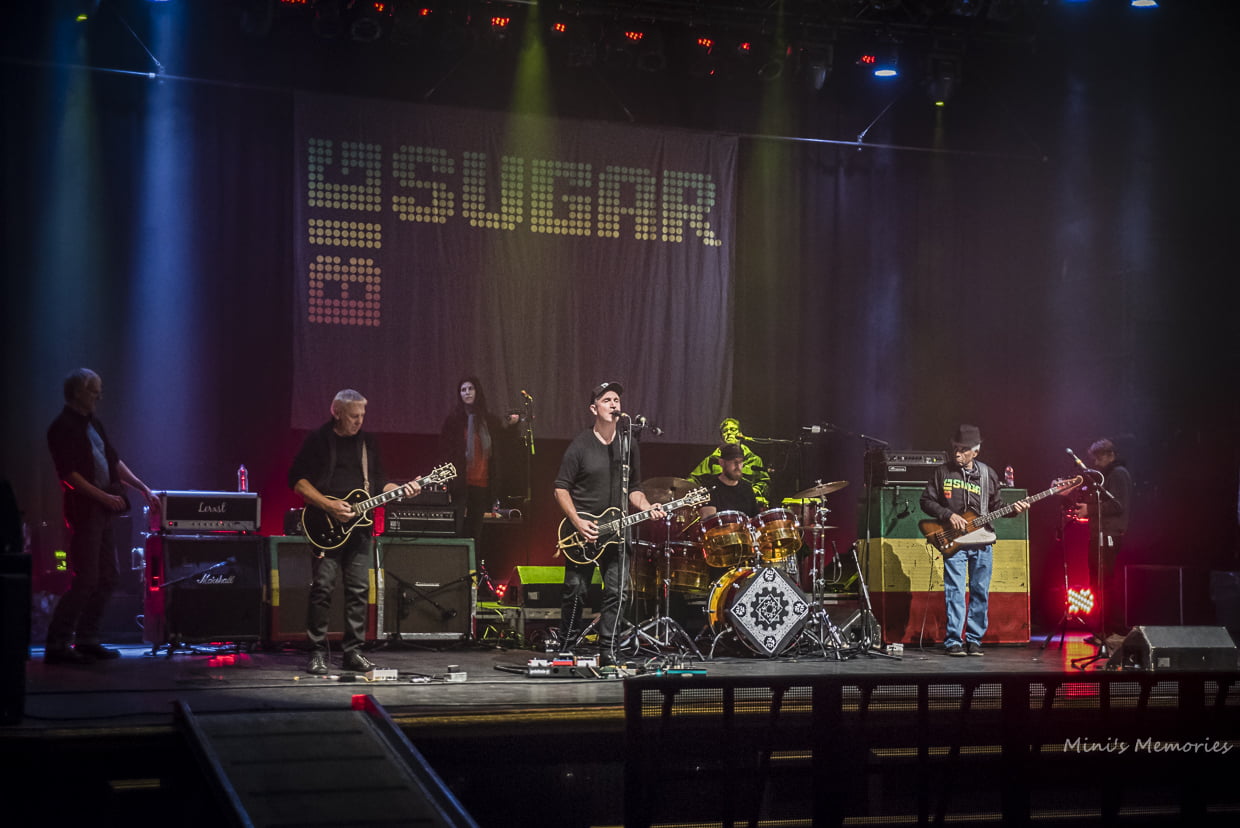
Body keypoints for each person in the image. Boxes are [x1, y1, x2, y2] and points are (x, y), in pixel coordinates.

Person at [289, 389, 420, 675]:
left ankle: (353, 652)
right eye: (353, 416)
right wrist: (329, 506)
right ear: (336, 413)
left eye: (362, 415)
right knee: (322, 588)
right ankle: (317, 652)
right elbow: (297, 481)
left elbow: (381, 483)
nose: (359, 421)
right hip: (324, 525)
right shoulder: (318, 439)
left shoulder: (367, 442)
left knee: (359, 590)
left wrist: (402, 490)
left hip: (360, 530)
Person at [45, 368, 160, 664]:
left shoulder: (94, 423)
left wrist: (142, 488)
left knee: (108, 576)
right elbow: (69, 475)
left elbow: (114, 461)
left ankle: (87, 639)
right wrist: (103, 497)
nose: (99, 396)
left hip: (103, 509)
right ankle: (57, 644)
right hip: (85, 511)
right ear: (78, 392)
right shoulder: (62, 427)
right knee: (86, 578)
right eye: (94, 390)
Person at [553, 382, 664, 664]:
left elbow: (634, 488)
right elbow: (560, 488)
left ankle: (608, 651)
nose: (614, 404)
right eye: (606, 400)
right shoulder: (580, 444)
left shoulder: (628, 445)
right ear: (594, 408)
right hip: (584, 532)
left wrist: (647, 507)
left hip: (617, 533)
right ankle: (566, 646)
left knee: (618, 592)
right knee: (575, 590)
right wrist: (577, 521)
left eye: (616, 399)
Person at [920, 424, 1028, 657]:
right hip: (955, 543)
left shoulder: (988, 474)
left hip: (983, 542)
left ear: (975, 452)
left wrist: (1014, 511)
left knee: (980, 592)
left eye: (963, 450)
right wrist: (948, 515)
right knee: (955, 592)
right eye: (955, 448)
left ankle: (974, 640)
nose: (957, 454)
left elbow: (996, 507)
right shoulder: (942, 472)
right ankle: (953, 641)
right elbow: (926, 501)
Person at [439, 376, 518, 550]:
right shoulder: (453, 421)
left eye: (470, 389)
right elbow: (445, 452)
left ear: (477, 392)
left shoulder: (490, 421)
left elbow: (503, 447)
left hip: (482, 484)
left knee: (475, 533)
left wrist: (513, 426)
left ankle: (472, 566)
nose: (467, 393)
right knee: (456, 530)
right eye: (463, 390)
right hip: (460, 484)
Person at [1073, 438, 1132, 643]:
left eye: (1099, 459)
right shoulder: (1109, 475)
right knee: (1098, 583)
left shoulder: (1118, 474)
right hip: (1100, 534)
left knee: (1105, 583)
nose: (1096, 463)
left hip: (1108, 535)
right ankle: (1104, 630)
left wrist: (1089, 509)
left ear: (1111, 455)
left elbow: (1117, 505)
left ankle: (1115, 630)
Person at [688, 417, 771, 505]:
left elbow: (764, 482)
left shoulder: (753, 459)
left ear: (740, 434)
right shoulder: (711, 460)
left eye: (733, 429)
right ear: (721, 438)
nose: (729, 433)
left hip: (746, 503)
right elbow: (692, 480)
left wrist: (754, 491)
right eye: (725, 431)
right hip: (720, 504)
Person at [696, 442, 760, 520]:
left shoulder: (747, 488)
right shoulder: (709, 489)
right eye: (734, 461)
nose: (738, 466)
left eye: (740, 462)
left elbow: (755, 519)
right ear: (722, 462)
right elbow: (709, 522)